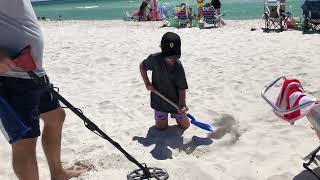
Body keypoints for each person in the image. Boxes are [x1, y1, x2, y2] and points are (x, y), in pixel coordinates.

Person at [0, 0, 81, 180]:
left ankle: (57, 172)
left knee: (56, 117)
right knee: (25, 142)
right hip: (9, 78)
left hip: (34, 72)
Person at [139, 32, 190, 131]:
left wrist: (182, 105)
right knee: (161, 128)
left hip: (176, 101)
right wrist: (147, 83)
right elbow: (142, 66)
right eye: (168, 56)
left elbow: (182, 88)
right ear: (161, 49)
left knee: (185, 126)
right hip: (159, 100)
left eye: (174, 57)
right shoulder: (154, 59)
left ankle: (180, 116)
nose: (171, 59)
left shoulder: (178, 66)